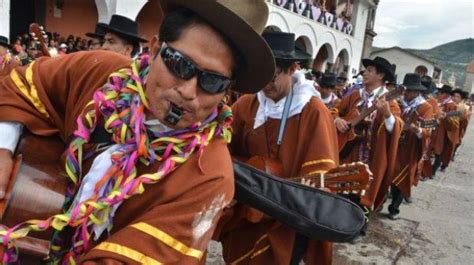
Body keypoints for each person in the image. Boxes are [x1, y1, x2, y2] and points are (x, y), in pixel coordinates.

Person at [0, 0, 275, 263]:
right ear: (155, 48)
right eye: (180, 64)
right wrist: (3, 149)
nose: (189, 92)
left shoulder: (210, 175)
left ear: (228, 90)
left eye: (212, 82)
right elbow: (20, 85)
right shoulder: (99, 72)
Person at [219, 31, 339, 265]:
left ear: (292, 68)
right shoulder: (247, 103)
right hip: (248, 214)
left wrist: (313, 186)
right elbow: (223, 148)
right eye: (261, 78)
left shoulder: (312, 110)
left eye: (272, 77)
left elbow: (323, 172)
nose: (265, 85)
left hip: (286, 219)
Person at [333, 56, 402, 232]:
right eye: (366, 70)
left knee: (364, 191)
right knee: (343, 185)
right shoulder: (355, 96)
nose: (365, 73)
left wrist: (387, 115)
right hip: (348, 151)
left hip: (370, 156)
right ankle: (338, 222)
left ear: (381, 76)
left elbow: (396, 127)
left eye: (370, 70)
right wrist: (337, 120)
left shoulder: (390, 101)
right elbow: (334, 110)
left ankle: (358, 227)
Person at [387, 74, 433, 220]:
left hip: (411, 147)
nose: (406, 93)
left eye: (410, 90)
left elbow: (429, 128)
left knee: (403, 178)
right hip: (394, 143)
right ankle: (383, 200)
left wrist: (417, 129)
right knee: (389, 173)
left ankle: (394, 207)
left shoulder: (426, 107)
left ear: (417, 91)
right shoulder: (397, 103)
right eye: (405, 89)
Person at [431, 85, 460, 176]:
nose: (438, 95)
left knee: (438, 151)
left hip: (443, 132)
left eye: (440, 93)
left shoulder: (452, 106)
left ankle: (432, 172)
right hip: (434, 127)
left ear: (446, 95)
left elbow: (454, 121)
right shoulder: (440, 103)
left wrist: (445, 116)